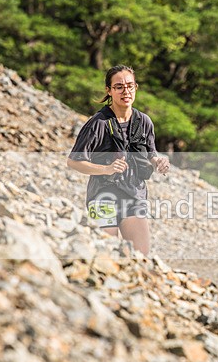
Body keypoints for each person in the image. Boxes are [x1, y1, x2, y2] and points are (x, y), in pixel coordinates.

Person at [67, 65, 170, 255]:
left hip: (134, 196)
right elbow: (73, 161)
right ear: (109, 90)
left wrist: (159, 162)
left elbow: (151, 154)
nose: (126, 91)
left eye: (130, 86)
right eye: (119, 87)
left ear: (136, 88)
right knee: (106, 254)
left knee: (141, 258)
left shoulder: (144, 121)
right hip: (102, 196)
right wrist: (106, 169)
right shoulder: (98, 123)